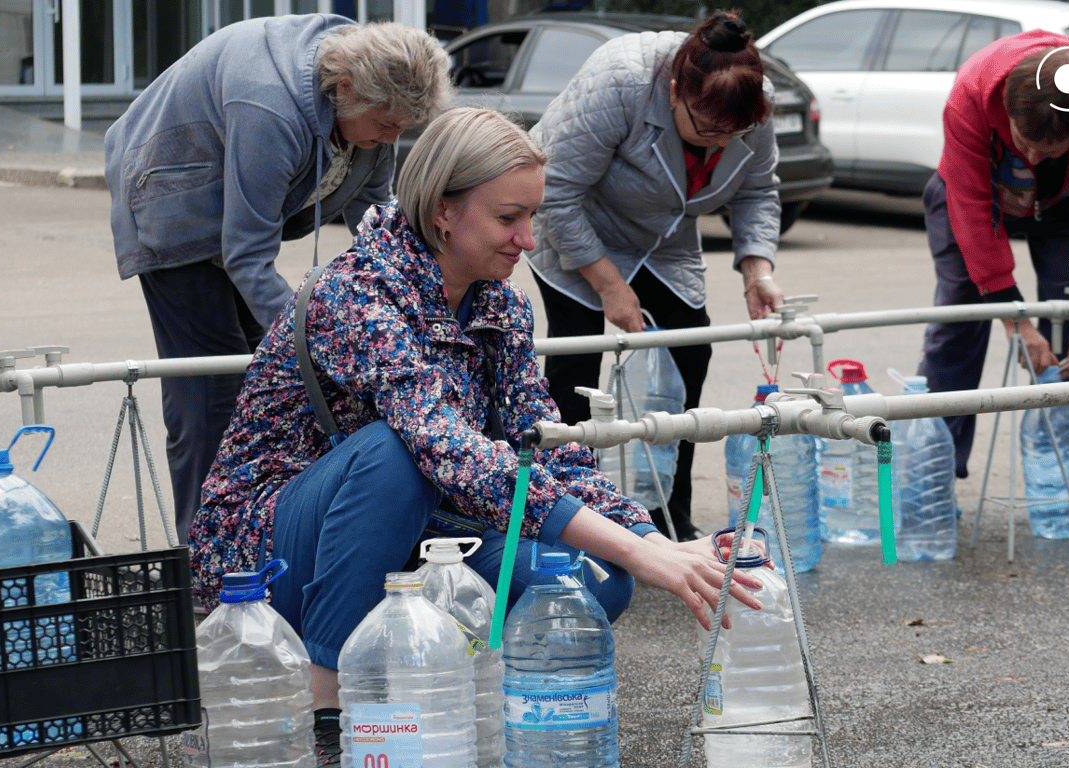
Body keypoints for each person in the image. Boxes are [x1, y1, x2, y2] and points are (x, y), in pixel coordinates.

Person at [187, 107, 764, 765]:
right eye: (508, 218)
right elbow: (440, 445)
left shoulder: (501, 305)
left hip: (410, 529)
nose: (528, 240)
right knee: (393, 451)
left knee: (589, 579)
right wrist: (636, 548)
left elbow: (548, 452)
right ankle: (330, 707)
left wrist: (653, 543)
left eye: (533, 218)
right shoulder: (357, 291)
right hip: (271, 551)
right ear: (442, 212)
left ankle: (448, 683)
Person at [103, 16, 452, 543]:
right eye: (386, 125)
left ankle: (260, 536)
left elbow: (376, 215)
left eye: (402, 129)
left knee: (265, 385)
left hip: (237, 205)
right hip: (170, 199)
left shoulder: (375, 97)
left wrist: (413, 297)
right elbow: (246, 253)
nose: (391, 139)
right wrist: (317, 336)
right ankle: (209, 562)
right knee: (212, 393)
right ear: (346, 89)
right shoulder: (270, 105)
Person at [525, 11, 787, 542]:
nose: (717, 147)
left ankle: (668, 509)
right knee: (577, 365)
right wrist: (608, 286)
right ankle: (569, 517)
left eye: (729, 136)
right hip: (579, 225)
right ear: (674, 92)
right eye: (707, 131)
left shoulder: (753, 104)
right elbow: (554, 192)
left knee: (690, 354)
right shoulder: (621, 79)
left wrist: (756, 269)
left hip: (665, 240)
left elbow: (759, 190)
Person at [915, 30, 1069, 527]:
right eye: (1026, 143)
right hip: (972, 192)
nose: (1036, 158)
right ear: (1007, 113)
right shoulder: (974, 92)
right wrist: (1012, 317)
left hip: (1067, 201)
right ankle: (935, 480)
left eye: (1052, 148)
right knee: (961, 317)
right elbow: (974, 214)